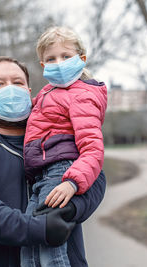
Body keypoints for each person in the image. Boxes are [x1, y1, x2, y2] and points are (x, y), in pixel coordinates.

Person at [0, 56, 106, 267]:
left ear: (29, 92)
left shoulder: (57, 135)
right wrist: (41, 228)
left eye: (18, 82)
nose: (10, 90)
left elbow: (95, 177)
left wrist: (70, 209)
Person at [21, 26, 107, 267]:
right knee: (29, 245)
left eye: (65, 56)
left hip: (61, 171)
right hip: (42, 175)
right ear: (42, 65)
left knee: (50, 249)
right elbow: (26, 113)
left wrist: (72, 182)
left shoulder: (82, 95)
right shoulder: (49, 92)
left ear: (81, 59)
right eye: (51, 58)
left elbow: (92, 148)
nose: (58, 63)